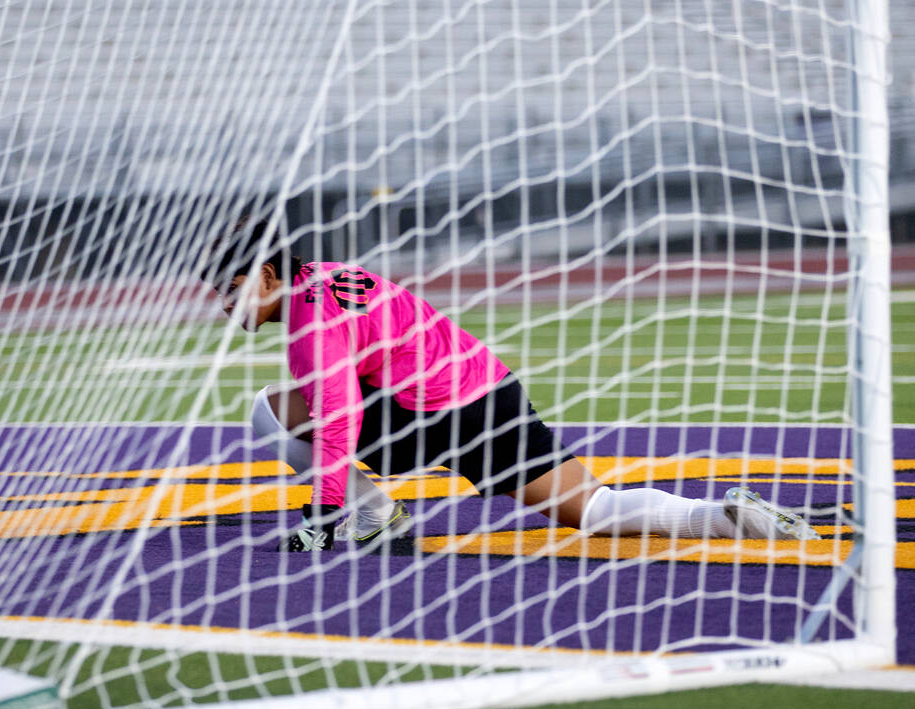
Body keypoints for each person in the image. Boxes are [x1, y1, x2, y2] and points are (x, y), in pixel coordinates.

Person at [203, 218, 819, 551]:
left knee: (269, 409)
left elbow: (336, 417)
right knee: (594, 508)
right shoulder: (336, 274)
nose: (223, 306)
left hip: (434, 414)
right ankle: (726, 517)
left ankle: (375, 514)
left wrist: (325, 510)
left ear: (263, 274)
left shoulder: (308, 324)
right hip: (491, 390)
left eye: (226, 290)